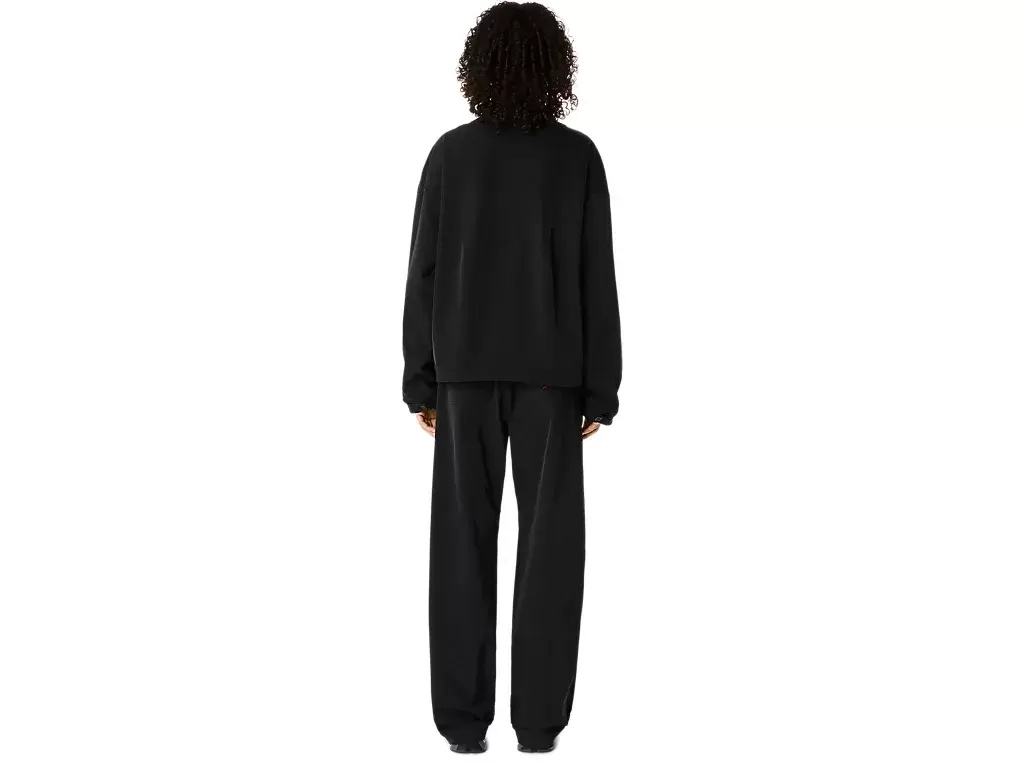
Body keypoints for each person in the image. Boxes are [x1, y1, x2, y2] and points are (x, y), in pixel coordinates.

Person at [402, 1, 621, 754]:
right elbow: (596, 278)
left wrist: (421, 378)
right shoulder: (577, 157)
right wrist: (601, 387)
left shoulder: (450, 156)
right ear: (555, 67)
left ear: (480, 65)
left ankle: (463, 726)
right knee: (551, 552)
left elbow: (424, 271)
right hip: (553, 382)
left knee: (460, 548)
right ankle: (538, 726)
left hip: (463, 378)